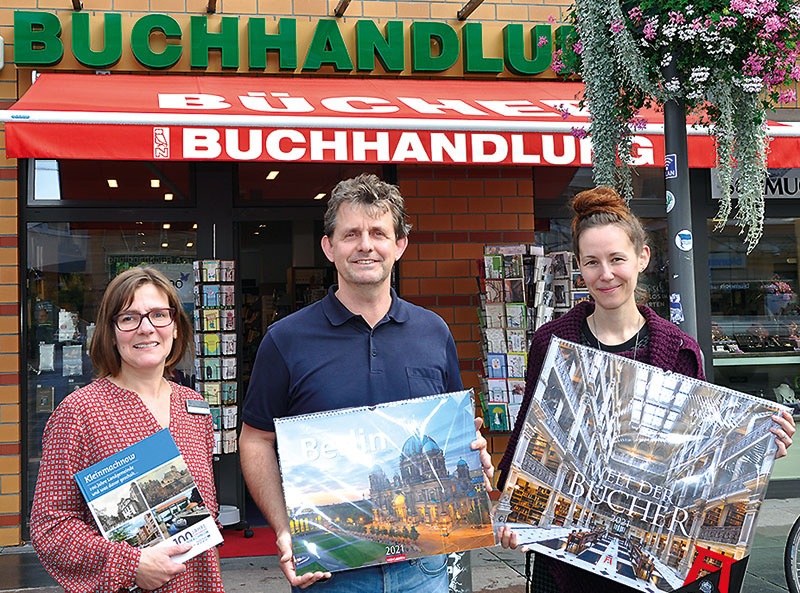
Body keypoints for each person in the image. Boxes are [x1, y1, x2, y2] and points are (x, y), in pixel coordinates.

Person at [495, 186, 795, 590]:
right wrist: (518, 515)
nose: (605, 274)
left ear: (642, 258)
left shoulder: (679, 351)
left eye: (617, 259)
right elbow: (532, 437)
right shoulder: (552, 344)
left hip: (649, 563)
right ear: (579, 267)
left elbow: (700, 459)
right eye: (592, 262)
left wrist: (758, 446)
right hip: (563, 561)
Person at [239, 173, 493, 592]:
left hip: (426, 569)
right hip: (331, 572)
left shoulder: (433, 332)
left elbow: (451, 429)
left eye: (378, 232)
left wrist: (471, 449)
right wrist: (285, 530)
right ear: (329, 247)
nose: (365, 245)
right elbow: (254, 440)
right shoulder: (285, 340)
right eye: (351, 234)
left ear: (400, 245)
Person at [30, 267, 223, 593]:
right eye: (129, 318)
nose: (146, 328)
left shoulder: (195, 407)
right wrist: (131, 564)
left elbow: (206, 511)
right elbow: (50, 528)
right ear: (111, 331)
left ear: (175, 327)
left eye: (159, 314)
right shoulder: (80, 412)